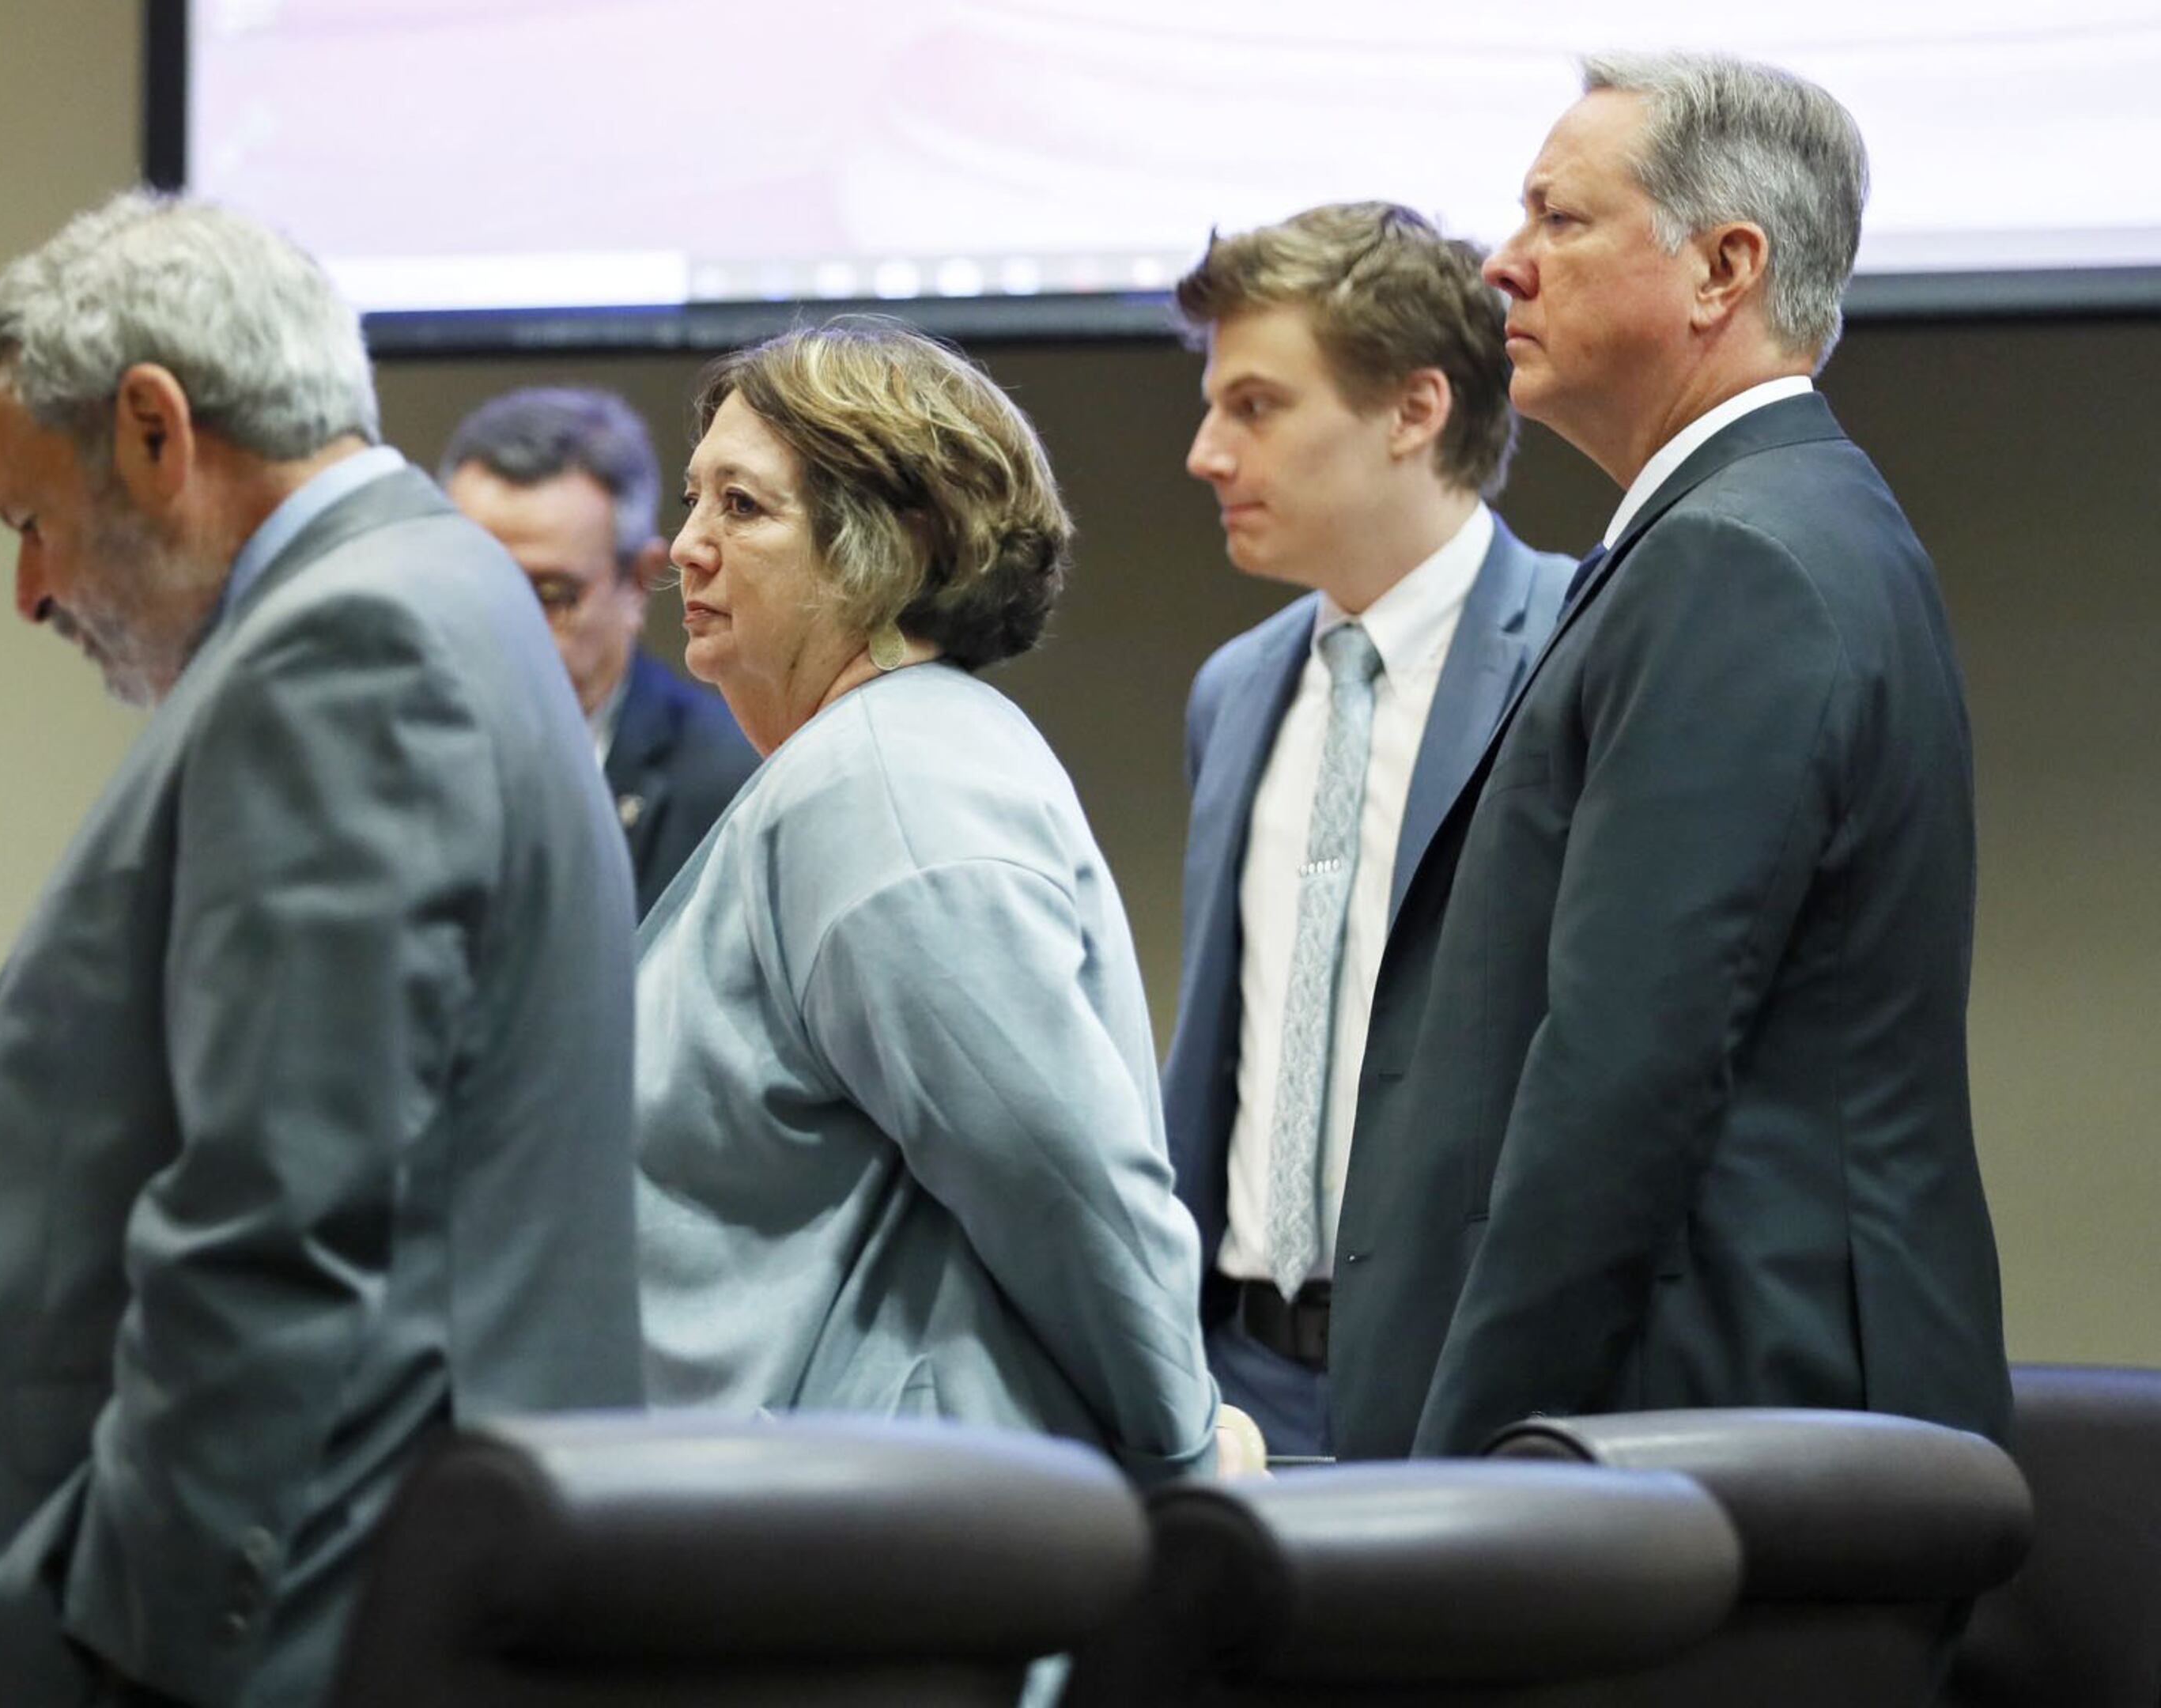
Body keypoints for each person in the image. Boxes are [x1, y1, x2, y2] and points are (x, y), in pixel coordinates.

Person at [0, 193, 644, 1708]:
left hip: (284, 1637)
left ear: (157, 432)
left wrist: (127, 1640)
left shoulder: (346, 647)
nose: (29, 591)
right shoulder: (442, 592)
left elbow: (275, 1219)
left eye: (30, 522)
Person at [1331, 53, 2010, 1460]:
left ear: (1724, 268)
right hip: (1733, 1426)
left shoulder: (1732, 558)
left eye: (1559, 221)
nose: (1501, 266)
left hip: (1718, 1442)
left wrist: (1462, 1473)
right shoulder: (1780, 520)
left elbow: (1619, 1078)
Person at [636, 316, 1249, 1486]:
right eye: (693, 500)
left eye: (742, 507)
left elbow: (1059, 1175)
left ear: (895, 544)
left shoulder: (886, 786)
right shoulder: (859, 768)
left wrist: (1188, 1454)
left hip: (897, 1551)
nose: (684, 547)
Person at [1164, 204, 1575, 1459]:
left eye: (1256, 407)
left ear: (1415, 411)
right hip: (1238, 1372)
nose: (1204, 454)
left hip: (1473, 1373)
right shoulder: (1236, 688)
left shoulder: (1582, 650)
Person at [440, 387, 755, 914]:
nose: (498, 622)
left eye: (549, 595)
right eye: (474, 582)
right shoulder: (375, 759)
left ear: (638, 581)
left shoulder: (734, 789)